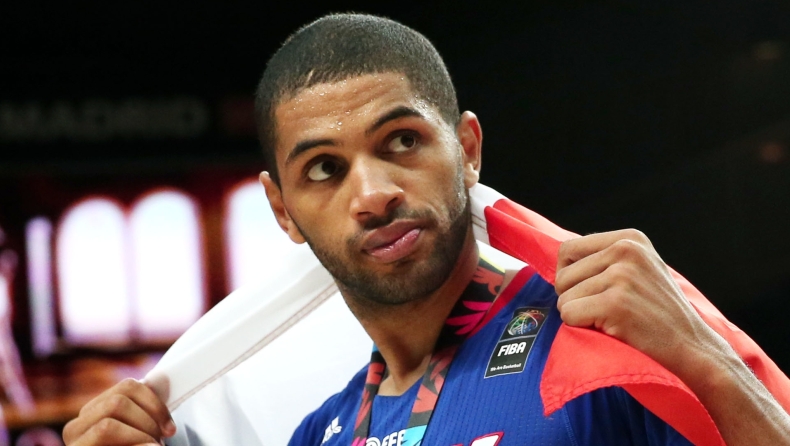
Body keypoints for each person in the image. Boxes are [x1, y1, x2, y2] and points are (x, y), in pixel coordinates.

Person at [62, 13, 790, 446]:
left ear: (466, 150)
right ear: (282, 211)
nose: (373, 194)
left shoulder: (602, 353)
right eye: (324, 169)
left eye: (402, 141)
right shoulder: (321, 432)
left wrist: (708, 362)